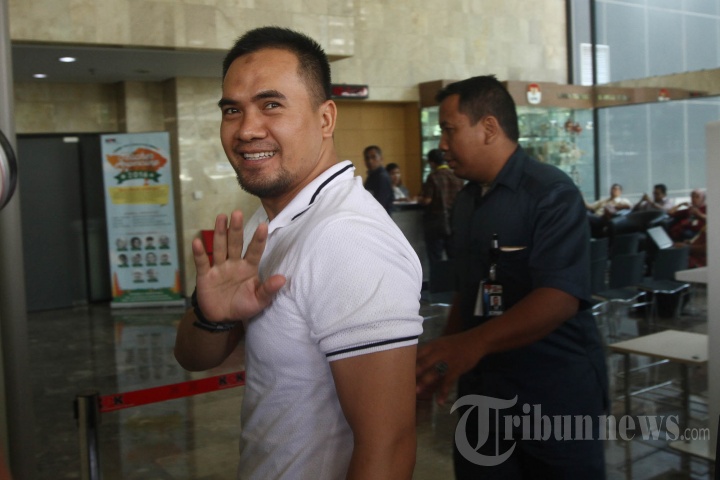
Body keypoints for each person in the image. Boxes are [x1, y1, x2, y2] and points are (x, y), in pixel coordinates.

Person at [173, 26, 422, 480]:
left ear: (325, 119)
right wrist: (213, 316)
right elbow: (194, 357)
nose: (246, 130)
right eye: (232, 110)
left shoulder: (349, 238)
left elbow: (387, 446)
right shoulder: (269, 221)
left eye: (271, 105)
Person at [415, 75, 607, 479]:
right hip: (485, 393)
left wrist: (472, 344)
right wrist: (445, 358)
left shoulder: (550, 193)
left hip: (553, 393)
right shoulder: (467, 201)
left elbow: (559, 296)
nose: (442, 144)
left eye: (449, 130)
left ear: (488, 128)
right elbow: (470, 291)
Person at [418, 148, 464, 267]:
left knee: (436, 260)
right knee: (454, 259)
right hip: (454, 222)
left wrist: (419, 199)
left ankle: (438, 279)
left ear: (432, 162)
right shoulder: (456, 176)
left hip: (436, 224)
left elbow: (427, 200)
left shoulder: (433, 177)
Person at [363, 145, 395, 214]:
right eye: (367, 158)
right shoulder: (371, 176)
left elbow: (380, 203)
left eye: (373, 157)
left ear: (381, 159)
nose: (370, 161)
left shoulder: (382, 177)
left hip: (381, 217)